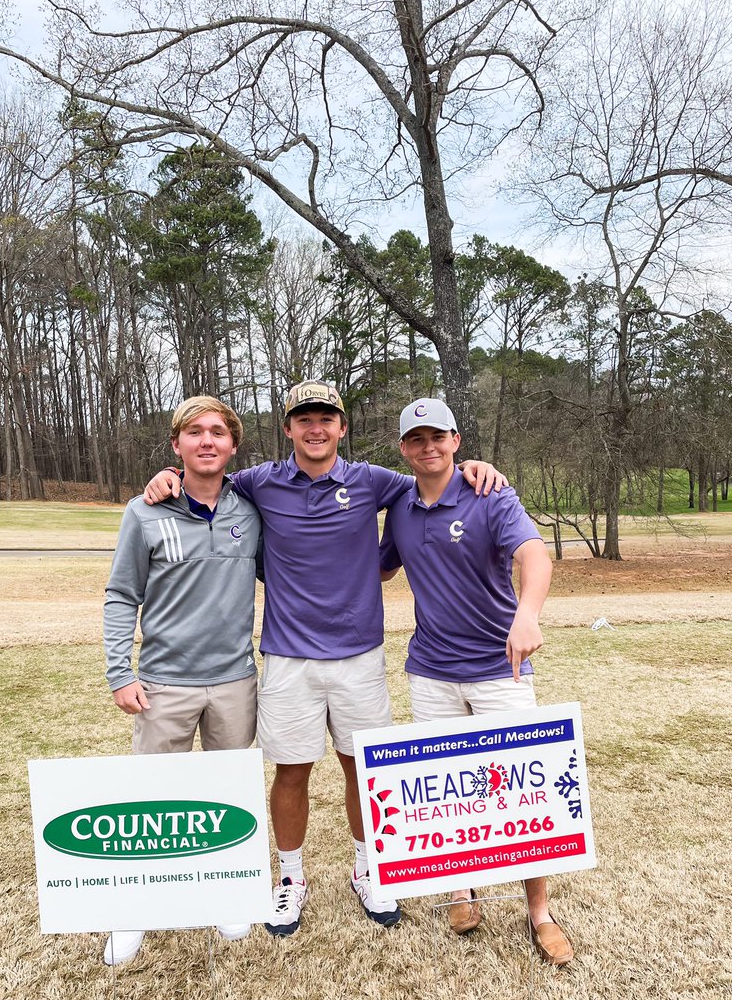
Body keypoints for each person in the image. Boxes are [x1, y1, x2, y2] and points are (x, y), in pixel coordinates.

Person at [143, 381, 503, 937]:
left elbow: (435, 475)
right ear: (288, 428)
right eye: (303, 419)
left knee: (361, 768)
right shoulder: (259, 482)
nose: (316, 428)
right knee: (292, 770)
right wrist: (168, 478)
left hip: (359, 655)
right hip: (288, 658)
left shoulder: (372, 481)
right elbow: (206, 478)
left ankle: (368, 870)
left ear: (341, 428)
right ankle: (291, 880)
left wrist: (475, 464)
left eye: (326, 418)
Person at [379, 397, 573, 965]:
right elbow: (382, 564)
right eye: (416, 439)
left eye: (437, 436)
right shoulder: (402, 507)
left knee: (519, 791)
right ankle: (461, 890)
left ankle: (539, 912)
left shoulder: (490, 493)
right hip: (432, 671)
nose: (428, 447)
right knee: (446, 789)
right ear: (403, 449)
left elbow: (534, 554)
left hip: (499, 668)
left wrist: (528, 613)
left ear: (456, 440)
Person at [102, 395, 262, 965]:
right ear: (177, 446)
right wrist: (120, 672)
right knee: (154, 799)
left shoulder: (251, 508)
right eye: (194, 432)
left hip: (235, 680)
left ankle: (225, 893)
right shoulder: (143, 511)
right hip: (164, 681)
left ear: (233, 445)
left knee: (224, 794)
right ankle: (135, 910)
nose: (207, 441)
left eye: (218, 431)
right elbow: (123, 594)